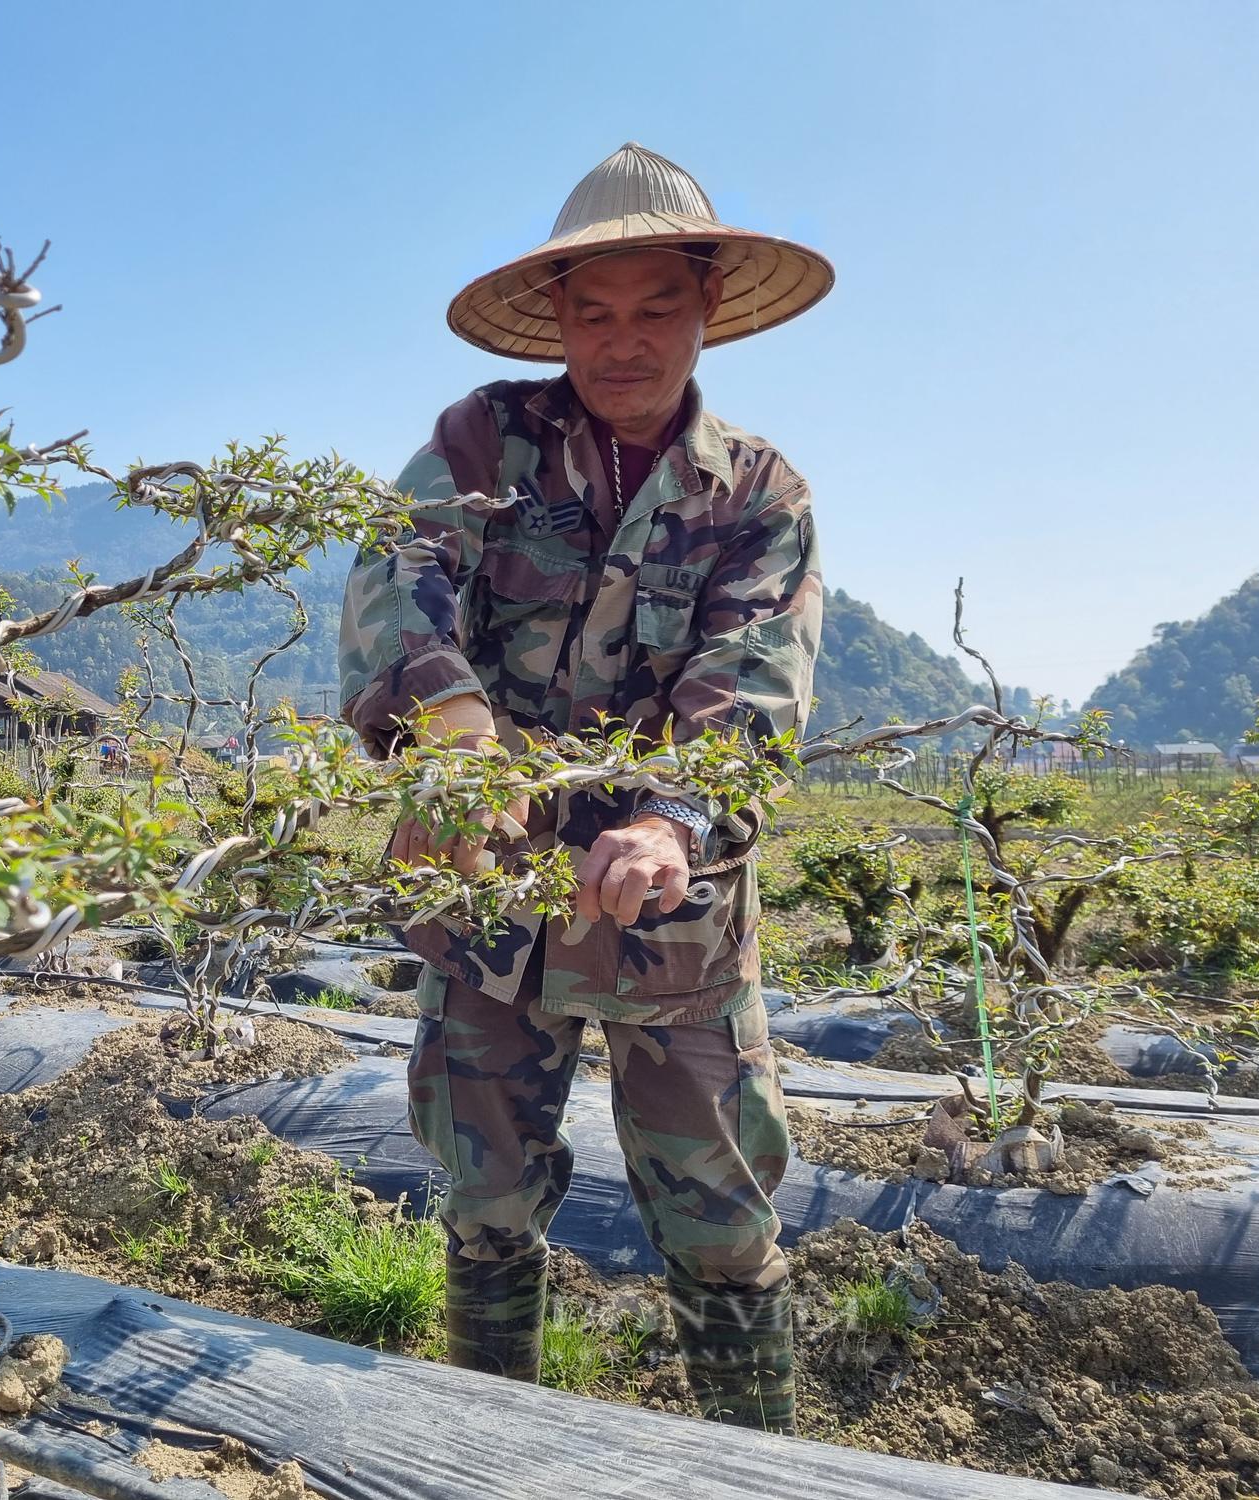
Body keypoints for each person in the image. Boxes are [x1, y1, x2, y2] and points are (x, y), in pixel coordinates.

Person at [337, 143, 829, 1432]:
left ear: (706, 307)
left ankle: (751, 1461)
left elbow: (753, 680)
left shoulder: (759, 496)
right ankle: (486, 1446)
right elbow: (402, 572)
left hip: (674, 912)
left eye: (656, 306)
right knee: (486, 1201)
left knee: (718, 1210)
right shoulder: (481, 441)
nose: (625, 342)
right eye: (594, 312)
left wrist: (673, 818)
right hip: (485, 891)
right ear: (555, 319)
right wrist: (449, 725)